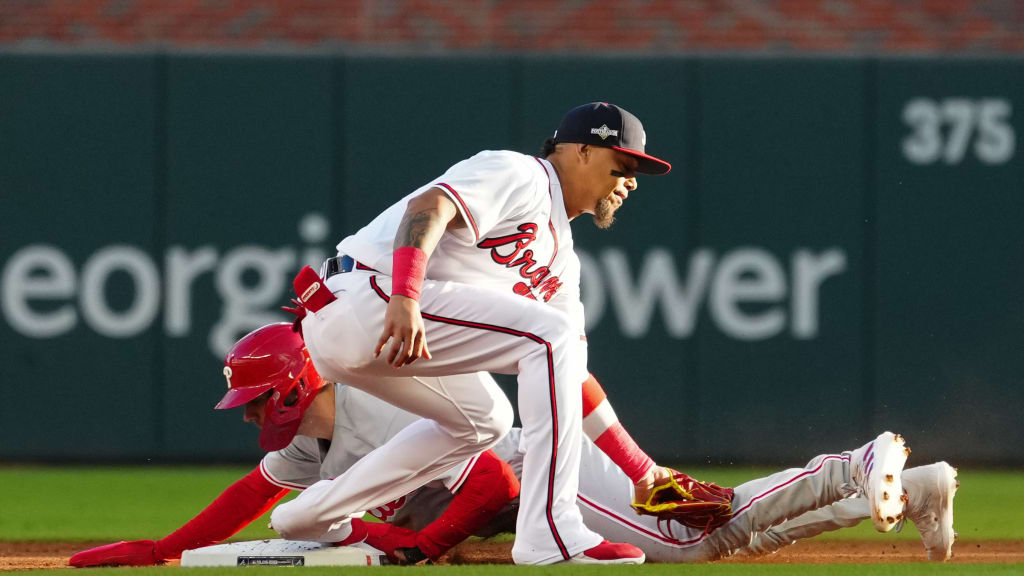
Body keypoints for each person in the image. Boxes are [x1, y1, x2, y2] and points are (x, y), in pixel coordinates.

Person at [70, 324, 958, 567]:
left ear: (296, 383)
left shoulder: (374, 396)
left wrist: (425, 543)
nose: (252, 413)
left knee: (701, 538)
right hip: (528, 471)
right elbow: (252, 496)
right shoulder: (310, 441)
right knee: (738, 543)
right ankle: (911, 487)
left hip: (544, 465)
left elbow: (491, 477)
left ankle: (853, 463)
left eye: (259, 397)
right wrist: (162, 549)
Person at [275, 101, 677, 564]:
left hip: (370, 329)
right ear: (583, 151)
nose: (630, 181)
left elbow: (571, 376)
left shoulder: (562, 262)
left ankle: (314, 515)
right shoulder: (522, 174)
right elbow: (429, 206)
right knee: (551, 335)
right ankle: (550, 530)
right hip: (367, 297)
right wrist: (406, 297)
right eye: (623, 165)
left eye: (636, 173)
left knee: (485, 419)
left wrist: (643, 470)